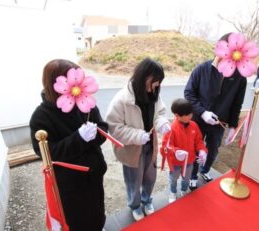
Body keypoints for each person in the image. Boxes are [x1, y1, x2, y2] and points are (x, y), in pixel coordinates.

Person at [29, 59, 108, 231]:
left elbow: (103, 127)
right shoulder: (41, 116)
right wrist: (78, 138)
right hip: (70, 183)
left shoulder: (84, 103)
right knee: (77, 219)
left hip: (94, 174)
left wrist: (95, 133)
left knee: (97, 211)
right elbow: (47, 153)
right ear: (57, 84)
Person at [105, 58, 171, 221]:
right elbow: (113, 127)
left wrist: (162, 123)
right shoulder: (122, 99)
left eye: (159, 82)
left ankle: (147, 200)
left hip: (150, 145)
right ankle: (135, 206)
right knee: (133, 180)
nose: (156, 85)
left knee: (150, 176)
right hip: (132, 149)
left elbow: (160, 113)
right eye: (155, 81)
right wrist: (137, 136)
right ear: (144, 76)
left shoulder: (154, 94)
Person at [184, 33, 248, 190]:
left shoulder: (240, 77)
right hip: (198, 120)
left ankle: (204, 170)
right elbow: (189, 93)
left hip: (220, 122)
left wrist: (233, 126)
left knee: (212, 150)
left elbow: (236, 103)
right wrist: (203, 112)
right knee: (195, 149)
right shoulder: (202, 69)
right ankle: (192, 175)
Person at [160, 98, 208, 203]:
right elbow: (166, 145)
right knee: (173, 179)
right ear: (177, 115)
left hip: (189, 161)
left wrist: (202, 150)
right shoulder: (171, 128)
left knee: (187, 178)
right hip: (175, 162)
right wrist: (176, 151)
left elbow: (199, 141)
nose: (191, 116)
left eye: (191, 113)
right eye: (187, 115)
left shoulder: (194, 125)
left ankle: (184, 190)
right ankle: (173, 192)